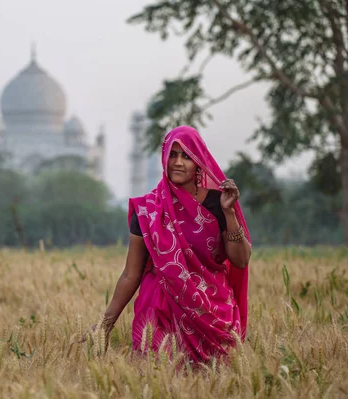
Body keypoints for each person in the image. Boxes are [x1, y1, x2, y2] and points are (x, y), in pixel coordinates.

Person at [97, 125, 251, 364]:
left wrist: (229, 213)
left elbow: (241, 260)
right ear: (164, 158)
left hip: (212, 312)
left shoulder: (219, 203)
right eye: (173, 154)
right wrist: (105, 325)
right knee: (156, 379)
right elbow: (130, 274)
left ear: (199, 160)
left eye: (187, 156)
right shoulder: (148, 210)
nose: (178, 162)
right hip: (159, 311)